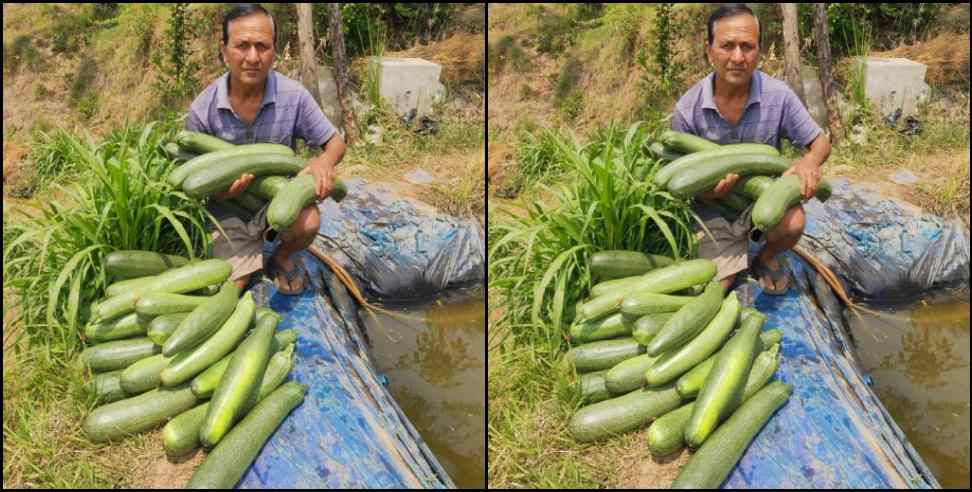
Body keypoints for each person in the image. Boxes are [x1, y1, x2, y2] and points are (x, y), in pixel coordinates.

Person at [671, 4, 831, 295]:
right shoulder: (687, 109)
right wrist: (707, 192)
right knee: (714, 288)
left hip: (761, 200)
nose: (738, 57)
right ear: (709, 51)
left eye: (747, 46)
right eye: (727, 46)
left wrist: (810, 161)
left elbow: (819, 141)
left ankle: (765, 257)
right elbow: (679, 184)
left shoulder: (778, 95)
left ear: (759, 51)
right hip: (713, 211)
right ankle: (730, 256)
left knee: (793, 222)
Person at [186, 4, 346, 295]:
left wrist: (325, 162)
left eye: (262, 46)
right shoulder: (203, 109)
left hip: (276, 201)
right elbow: (194, 186)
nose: (252, 57)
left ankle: (280, 256)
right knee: (231, 288)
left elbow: (335, 142)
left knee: (308, 222)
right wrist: (222, 192)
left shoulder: (293, 95)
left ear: (274, 50)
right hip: (228, 212)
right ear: (224, 50)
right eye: (242, 46)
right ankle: (246, 258)